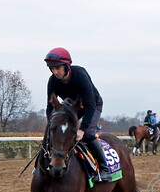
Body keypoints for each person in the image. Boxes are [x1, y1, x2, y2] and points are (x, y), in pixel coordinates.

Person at [44, 47, 112, 182]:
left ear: (67, 66)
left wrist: (82, 129)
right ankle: (42, 165)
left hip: (92, 105)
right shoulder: (52, 81)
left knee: (87, 134)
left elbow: (91, 105)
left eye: (58, 68)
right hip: (72, 108)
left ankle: (105, 170)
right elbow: (50, 107)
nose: (55, 72)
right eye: (52, 68)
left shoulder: (80, 76)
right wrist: (52, 124)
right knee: (54, 133)